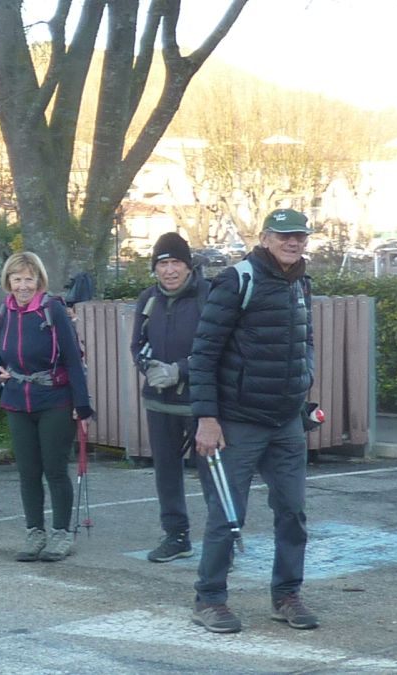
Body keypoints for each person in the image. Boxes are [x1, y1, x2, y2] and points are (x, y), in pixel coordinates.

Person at [189, 208, 318, 634]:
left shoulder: (301, 281)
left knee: (293, 511)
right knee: (228, 513)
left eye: (298, 235)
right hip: (238, 420)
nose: (292, 242)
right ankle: (208, 599)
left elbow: (304, 341)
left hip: (285, 421)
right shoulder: (237, 279)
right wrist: (207, 418)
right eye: (283, 236)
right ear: (264, 238)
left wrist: (304, 384)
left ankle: (287, 594)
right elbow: (204, 352)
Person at [0, 252, 91, 562]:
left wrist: (82, 406)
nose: (23, 285)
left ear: (38, 280)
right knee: (28, 472)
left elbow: (72, 358)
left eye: (29, 278)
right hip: (17, 400)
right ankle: (35, 532)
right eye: (17, 279)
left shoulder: (52, 309)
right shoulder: (4, 310)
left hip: (54, 399)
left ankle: (61, 534)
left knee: (54, 470)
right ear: (8, 282)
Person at [131, 233, 211, 563]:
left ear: (188, 265)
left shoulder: (208, 297)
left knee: (213, 475)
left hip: (201, 405)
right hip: (159, 402)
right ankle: (176, 536)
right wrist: (148, 367)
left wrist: (181, 369)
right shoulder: (148, 300)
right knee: (166, 472)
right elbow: (138, 345)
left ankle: (223, 540)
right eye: (162, 264)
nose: (169, 270)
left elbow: (215, 348)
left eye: (175, 262)